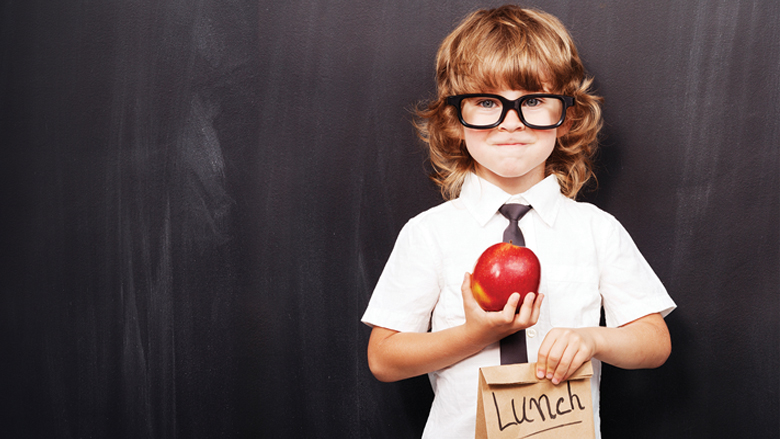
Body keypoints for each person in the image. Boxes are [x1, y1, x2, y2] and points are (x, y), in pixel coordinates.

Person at [361, 5, 676, 438]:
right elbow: (384, 358)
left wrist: (593, 339)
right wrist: (474, 334)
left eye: (532, 102)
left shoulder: (596, 230)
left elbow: (655, 342)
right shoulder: (428, 233)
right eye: (487, 102)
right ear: (456, 119)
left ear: (565, 116)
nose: (510, 122)